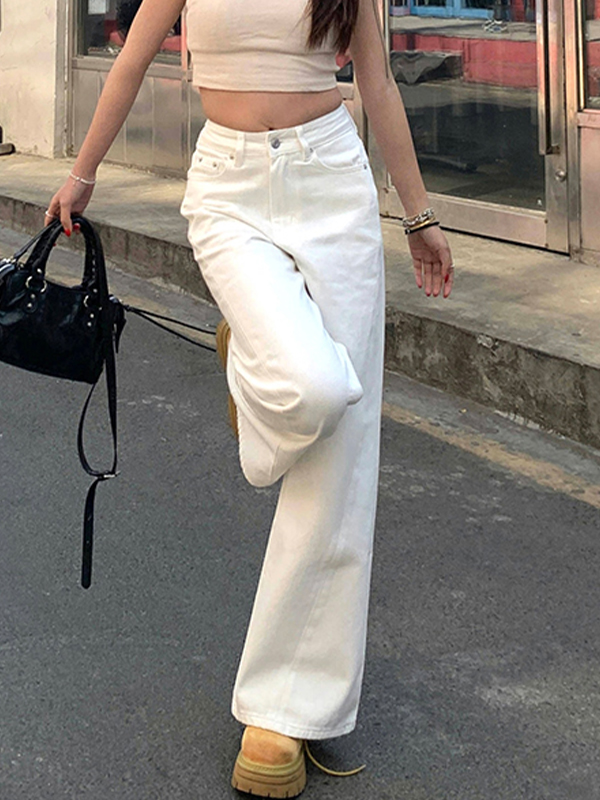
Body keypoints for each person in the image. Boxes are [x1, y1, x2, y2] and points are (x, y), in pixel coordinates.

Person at [45, 0, 454, 796]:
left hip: (332, 182)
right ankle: (267, 366)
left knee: (342, 449)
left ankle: (285, 710)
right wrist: (82, 173)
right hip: (229, 190)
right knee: (314, 388)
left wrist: (419, 215)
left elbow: (377, 84)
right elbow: (131, 59)